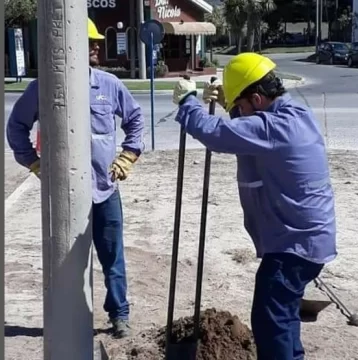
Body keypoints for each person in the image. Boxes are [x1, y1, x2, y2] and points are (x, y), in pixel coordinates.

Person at [172, 53, 337, 359]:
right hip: (306, 241)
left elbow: (219, 135)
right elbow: (251, 133)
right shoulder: (295, 115)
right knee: (284, 320)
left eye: (241, 106)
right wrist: (233, 107)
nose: (238, 112)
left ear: (258, 99)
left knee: (270, 324)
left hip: (293, 249)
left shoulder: (274, 128)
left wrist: (188, 104)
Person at [6, 18, 145, 339]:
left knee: (113, 258)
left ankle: (119, 315)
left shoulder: (108, 84)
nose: (97, 45)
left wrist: (128, 154)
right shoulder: (42, 89)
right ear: (69, 47)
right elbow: (16, 128)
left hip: (105, 191)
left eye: (97, 41)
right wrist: (33, 163)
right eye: (90, 41)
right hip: (64, 194)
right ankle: (67, 320)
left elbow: (136, 118)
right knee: (68, 262)